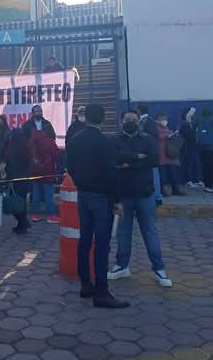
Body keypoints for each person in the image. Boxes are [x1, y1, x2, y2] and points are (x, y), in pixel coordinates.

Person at [66, 104, 128, 308]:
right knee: (102, 244)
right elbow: (110, 172)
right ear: (102, 118)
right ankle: (101, 292)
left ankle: (86, 284)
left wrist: (80, 183)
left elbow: (70, 167)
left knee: (84, 240)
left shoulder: (74, 139)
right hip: (101, 196)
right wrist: (117, 199)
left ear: (86, 117)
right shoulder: (104, 141)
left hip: (83, 194)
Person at [108, 111, 172, 288]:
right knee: (123, 233)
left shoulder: (148, 140)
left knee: (149, 232)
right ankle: (122, 266)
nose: (130, 122)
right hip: (123, 195)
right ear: (122, 121)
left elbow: (153, 161)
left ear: (139, 122)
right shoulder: (114, 139)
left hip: (145, 194)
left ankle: (159, 269)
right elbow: (113, 158)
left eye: (134, 120)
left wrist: (127, 163)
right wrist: (137, 156)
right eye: (127, 119)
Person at [28, 129, 61, 223]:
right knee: (48, 195)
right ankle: (51, 216)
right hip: (48, 172)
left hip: (35, 172)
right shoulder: (49, 141)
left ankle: (35, 215)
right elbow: (57, 156)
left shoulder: (31, 140)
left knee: (36, 194)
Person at [4, 128, 31, 234]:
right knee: (21, 203)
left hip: (15, 179)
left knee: (14, 203)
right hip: (25, 178)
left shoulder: (12, 148)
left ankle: (23, 223)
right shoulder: (25, 146)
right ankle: (22, 224)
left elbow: (11, 165)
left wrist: (8, 178)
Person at [138, 104, 162, 205]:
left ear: (138, 110)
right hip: (149, 153)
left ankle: (157, 197)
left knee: (154, 175)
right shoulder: (147, 120)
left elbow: (153, 136)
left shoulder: (146, 121)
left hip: (149, 154)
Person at [156, 113, 186, 196]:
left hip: (170, 154)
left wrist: (172, 134)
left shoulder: (166, 127)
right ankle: (163, 190)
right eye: (163, 119)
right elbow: (157, 136)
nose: (165, 121)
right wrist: (167, 135)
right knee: (163, 175)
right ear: (158, 119)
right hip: (162, 154)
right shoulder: (155, 127)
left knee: (173, 173)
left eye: (166, 119)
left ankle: (175, 189)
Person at [196, 108, 213, 194]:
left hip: (202, 149)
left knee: (205, 167)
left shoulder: (200, 122)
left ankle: (207, 186)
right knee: (211, 168)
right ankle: (210, 186)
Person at [179, 107, 202, 188]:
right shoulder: (183, 124)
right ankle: (189, 181)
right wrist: (194, 131)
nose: (193, 116)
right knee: (189, 164)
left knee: (196, 164)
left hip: (194, 147)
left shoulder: (193, 123)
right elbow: (188, 135)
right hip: (187, 147)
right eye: (192, 114)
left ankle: (197, 180)